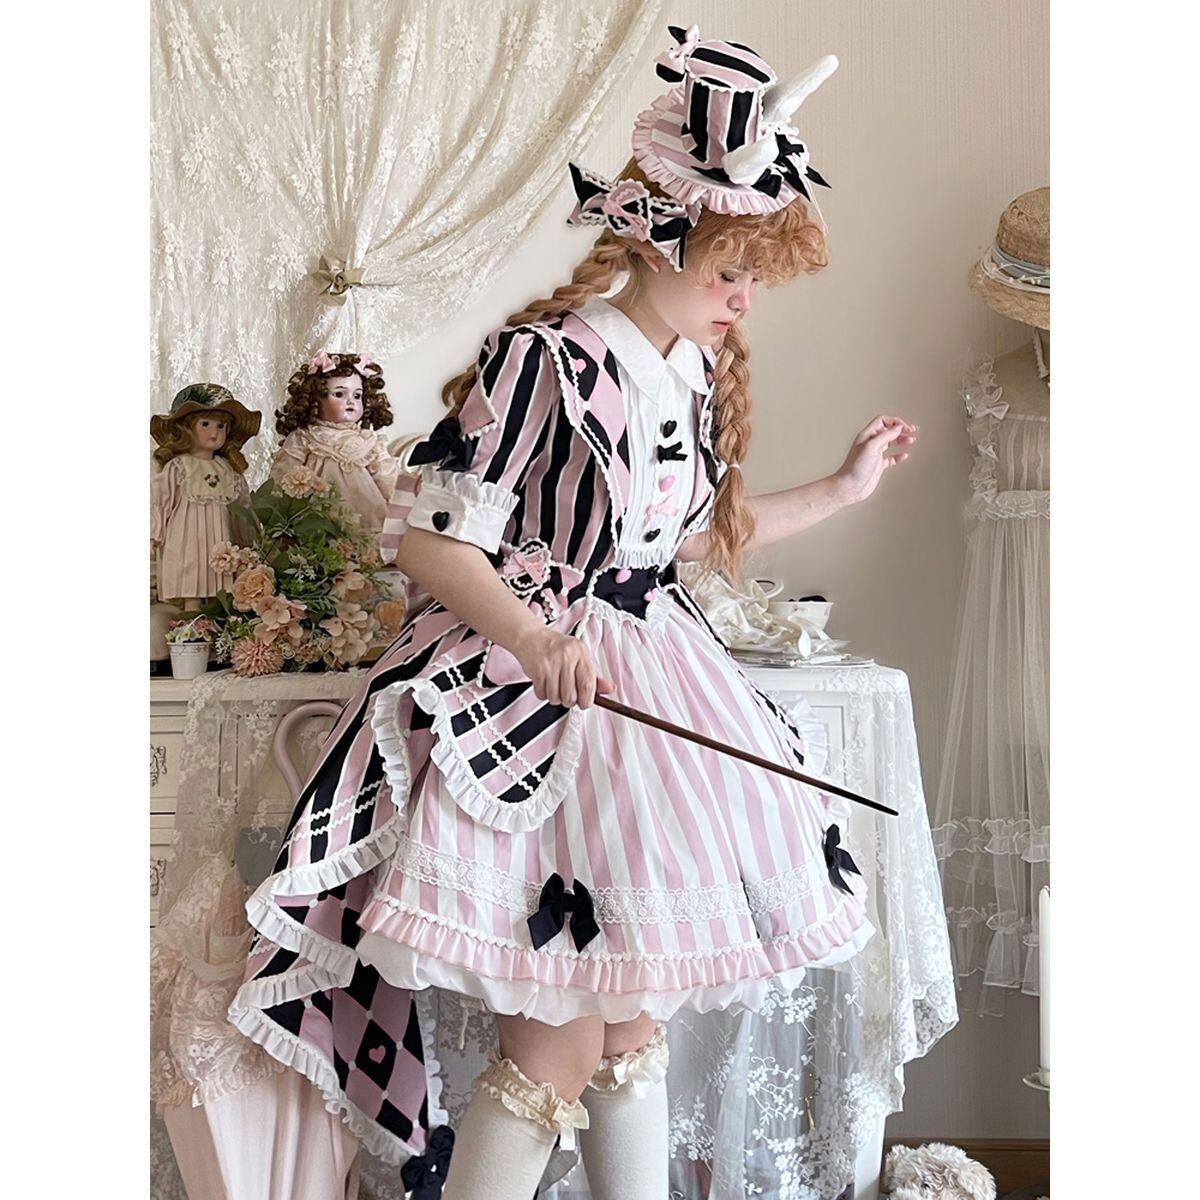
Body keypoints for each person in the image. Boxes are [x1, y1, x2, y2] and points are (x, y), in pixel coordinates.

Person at [229, 25, 919, 1200]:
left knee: (631, 1029)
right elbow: (433, 543)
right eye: (728, 268)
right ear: (653, 237)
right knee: (555, 1048)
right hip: (539, 706)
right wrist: (533, 635)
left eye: (756, 274)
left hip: (652, 682)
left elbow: (679, 542)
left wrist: (843, 490)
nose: (744, 297)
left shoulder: (689, 370)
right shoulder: (548, 358)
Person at [150, 383, 261, 609]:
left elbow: (242, 508)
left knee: (220, 584)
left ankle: (216, 616)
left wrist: (248, 540)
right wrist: (154, 535)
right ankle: (190, 619)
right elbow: (160, 501)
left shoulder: (228, 470)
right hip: (186, 540)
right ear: (186, 428)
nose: (214, 432)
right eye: (205, 424)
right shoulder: (178, 467)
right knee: (191, 577)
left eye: (221, 426)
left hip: (221, 542)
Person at [271, 350, 400, 537]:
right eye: (339, 394)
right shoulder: (304, 438)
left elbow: (388, 479)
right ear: (315, 400)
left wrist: (402, 505)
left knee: (365, 548)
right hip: (317, 520)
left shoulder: (368, 441)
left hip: (367, 519)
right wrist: (277, 512)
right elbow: (282, 476)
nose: (351, 401)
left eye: (357, 395)